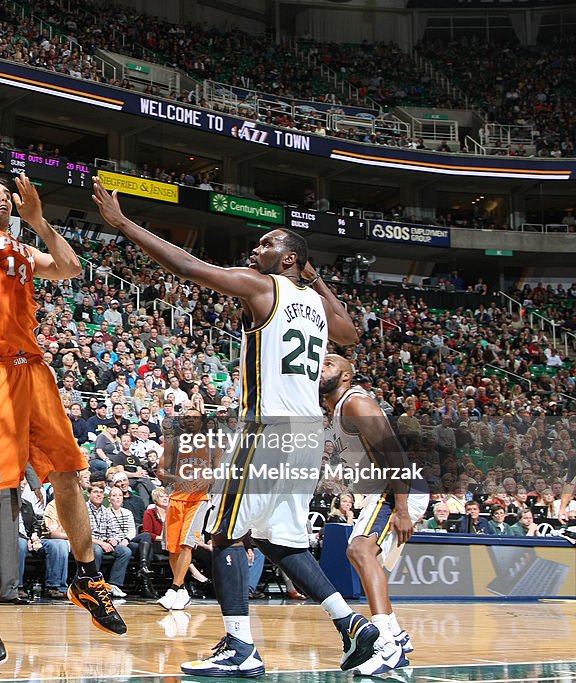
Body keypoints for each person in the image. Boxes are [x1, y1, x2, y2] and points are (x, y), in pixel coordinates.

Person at [92, 180, 378, 677]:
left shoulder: (262, 285)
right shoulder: (314, 306)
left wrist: (123, 225)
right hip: (308, 436)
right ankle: (351, 624)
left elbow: (188, 267)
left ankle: (240, 646)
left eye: (269, 243)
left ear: (288, 260)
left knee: (222, 536)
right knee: (279, 542)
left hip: (267, 431)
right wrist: (315, 277)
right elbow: (351, 333)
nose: (256, 248)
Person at [0, 70, 123, 665]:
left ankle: (87, 576)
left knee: (71, 473)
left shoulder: (23, 249)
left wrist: (43, 220)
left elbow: (71, 268)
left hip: (35, 370)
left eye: (3, 196)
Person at [321, 354, 430, 673]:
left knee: (359, 549)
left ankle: (387, 644)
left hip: (399, 488)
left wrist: (402, 508)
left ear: (346, 377)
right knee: (362, 555)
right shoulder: (337, 412)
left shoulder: (356, 402)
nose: (320, 367)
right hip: (384, 490)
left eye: (329, 364)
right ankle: (395, 632)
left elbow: (394, 450)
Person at [154, 409, 213, 611]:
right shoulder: (175, 443)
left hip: (199, 499)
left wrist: (206, 479)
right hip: (176, 498)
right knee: (173, 548)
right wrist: (177, 479)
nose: (190, 420)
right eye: (186, 417)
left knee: (187, 544)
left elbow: (221, 471)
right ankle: (182, 592)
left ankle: (174, 587)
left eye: (194, 417)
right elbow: (160, 471)